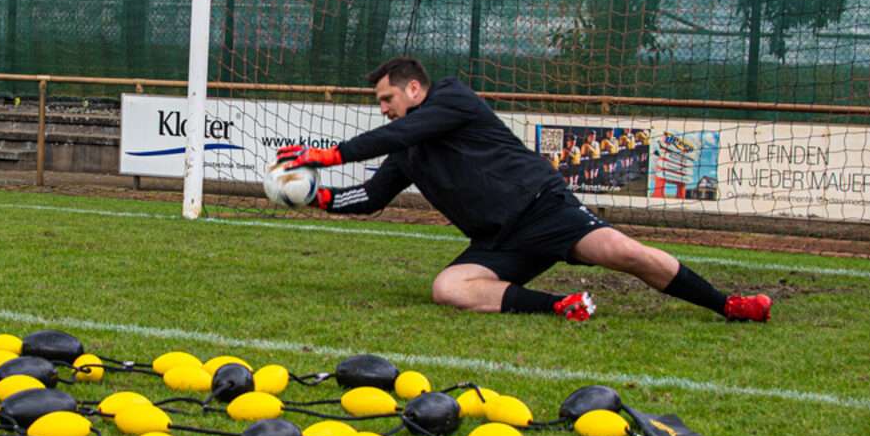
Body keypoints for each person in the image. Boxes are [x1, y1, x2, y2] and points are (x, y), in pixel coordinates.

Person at [275, 57, 770, 323]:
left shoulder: (452, 96)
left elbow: (398, 132)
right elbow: (372, 197)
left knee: (624, 251)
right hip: (499, 242)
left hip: (544, 210)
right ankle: (558, 305)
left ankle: (728, 304)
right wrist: (316, 196)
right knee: (447, 288)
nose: (382, 109)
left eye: (387, 99)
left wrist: (330, 154)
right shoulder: (408, 149)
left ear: (413, 90)